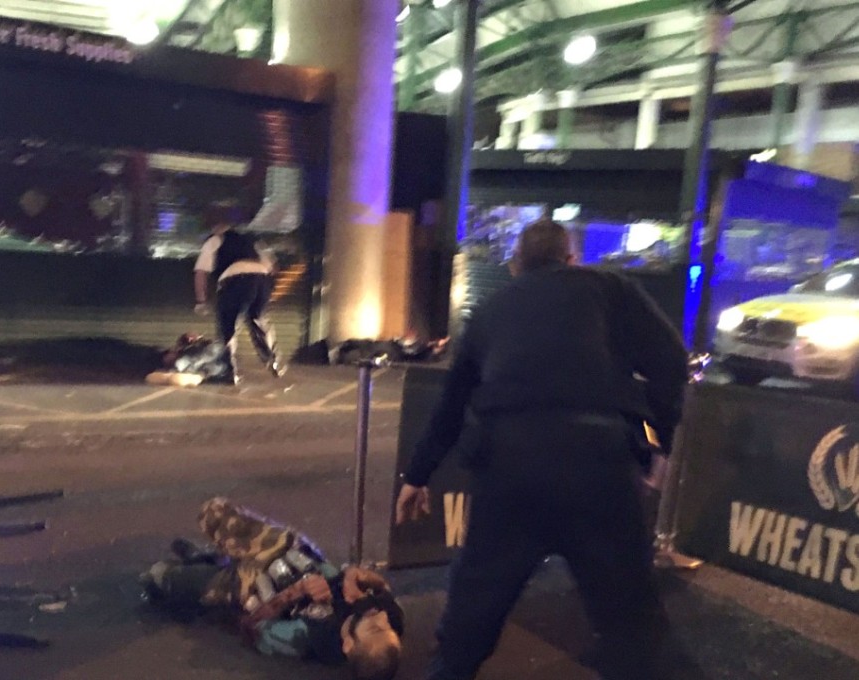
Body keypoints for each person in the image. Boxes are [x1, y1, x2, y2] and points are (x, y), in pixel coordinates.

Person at [395, 218, 688, 680]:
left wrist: (417, 475)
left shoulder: (490, 309)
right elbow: (672, 361)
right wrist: (656, 441)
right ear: (572, 260)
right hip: (599, 464)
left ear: (515, 267)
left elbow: (450, 406)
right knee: (632, 624)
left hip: (511, 467)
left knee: (473, 613)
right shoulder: (609, 289)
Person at [141, 497, 404, 680]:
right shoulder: (390, 618)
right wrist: (354, 576)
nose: (379, 616)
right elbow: (382, 586)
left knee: (159, 575)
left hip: (250, 585)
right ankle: (210, 557)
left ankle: (202, 565)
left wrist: (297, 592)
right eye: (387, 626)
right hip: (285, 552)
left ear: (348, 644)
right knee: (214, 511)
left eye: (374, 627)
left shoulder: (309, 637)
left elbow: (254, 628)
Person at [193, 206, 283, 384]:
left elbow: (201, 273)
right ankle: (273, 361)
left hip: (235, 280)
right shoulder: (253, 240)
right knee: (258, 320)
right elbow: (273, 267)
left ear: (214, 226)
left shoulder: (215, 240)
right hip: (261, 279)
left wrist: (201, 301)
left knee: (228, 325)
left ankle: (228, 371)